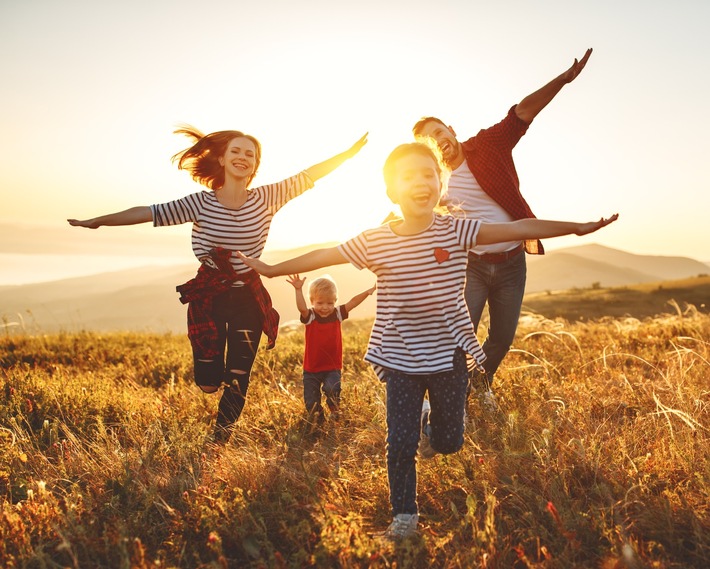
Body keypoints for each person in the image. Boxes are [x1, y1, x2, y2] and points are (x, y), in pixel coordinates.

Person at [236, 140, 618, 540]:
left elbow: (518, 228)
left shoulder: (456, 229)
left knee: (450, 442)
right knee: (399, 444)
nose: (420, 181)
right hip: (400, 357)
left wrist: (576, 227)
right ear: (391, 191)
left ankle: (430, 426)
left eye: (428, 173)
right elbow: (324, 255)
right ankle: (404, 517)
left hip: (450, 354)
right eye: (408, 176)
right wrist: (272, 267)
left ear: (440, 183)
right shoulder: (376, 240)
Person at [68, 126, 367, 443]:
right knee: (209, 382)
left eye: (250, 154)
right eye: (236, 151)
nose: (243, 157)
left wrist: (347, 155)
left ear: (254, 165)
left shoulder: (267, 198)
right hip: (210, 296)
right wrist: (98, 220)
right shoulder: (200, 203)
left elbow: (309, 175)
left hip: (248, 298)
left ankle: (219, 439)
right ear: (222, 159)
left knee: (239, 375)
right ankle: (213, 375)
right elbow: (147, 212)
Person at [412, 49, 593, 407]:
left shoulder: (488, 145)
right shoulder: (436, 182)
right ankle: (451, 397)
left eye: (438, 132)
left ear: (450, 128)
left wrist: (562, 79)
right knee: (459, 336)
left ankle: (479, 385)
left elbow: (521, 114)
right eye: (428, 143)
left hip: (511, 264)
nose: (437, 141)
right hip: (472, 266)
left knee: (502, 338)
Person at [287, 274, 375, 424]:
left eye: (330, 303)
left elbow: (353, 302)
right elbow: (302, 308)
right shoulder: (311, 316)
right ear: (312, 302)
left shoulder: (337, 313)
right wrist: (298, 290)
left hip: (332, 367)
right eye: (320, 303)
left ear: (335, 302)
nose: (325, 307)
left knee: (332, 389)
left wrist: (369, 291)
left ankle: (335, 411)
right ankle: (319, 422)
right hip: (311, 369)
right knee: (311, 403)